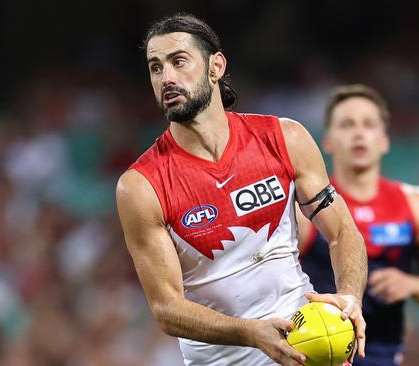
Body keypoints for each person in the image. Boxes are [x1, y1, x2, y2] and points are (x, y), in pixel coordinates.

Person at [115, 13, 368, 366]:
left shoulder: (285, 138)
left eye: (178, 61)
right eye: (155, 68)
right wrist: (251, 332)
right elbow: (166, 308)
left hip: (305, 346)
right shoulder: (141, 186)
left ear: (215, 66)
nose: (166, 78)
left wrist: (350, 297)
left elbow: (343, 232)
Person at [297, 84, 419, 366]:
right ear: (328, 141)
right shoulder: (303, 207)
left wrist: (412, 284)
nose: (359, 133)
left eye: (369, 124)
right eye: (347, 124)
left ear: (384, 140)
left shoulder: (416, 203)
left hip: (384, 354)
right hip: (318, 355)